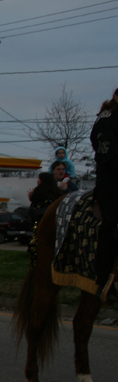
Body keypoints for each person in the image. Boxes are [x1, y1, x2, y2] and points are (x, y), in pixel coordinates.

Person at [91, 81, 118, 303]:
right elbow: (107, 154)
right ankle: (104, 280)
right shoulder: (106, 119)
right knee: (112, 222)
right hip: (112, 179)